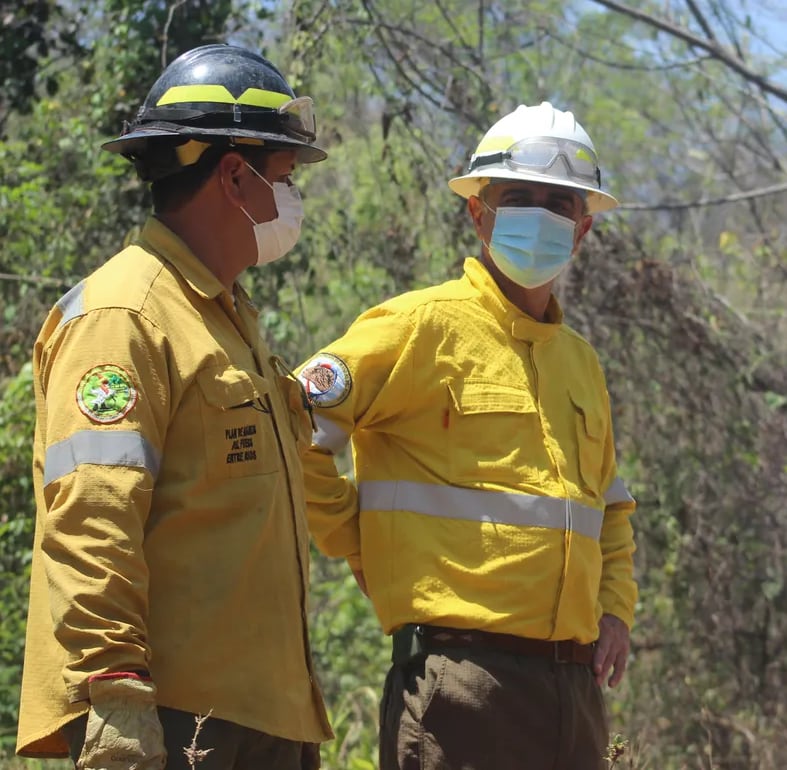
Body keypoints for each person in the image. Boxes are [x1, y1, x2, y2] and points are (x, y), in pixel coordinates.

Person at [16, 44, 332, 770]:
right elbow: (93, 516)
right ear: (232, 175)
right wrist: (117, 697)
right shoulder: (124, 315)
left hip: (266, 715)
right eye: (282, 176)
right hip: (181, 720)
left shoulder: (227, 318)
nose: (291, 199)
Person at [296, 102, 637, 770]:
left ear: (583, 230)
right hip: (460, 684)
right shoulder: (417, 327)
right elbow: (294, 425)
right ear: (477, 213)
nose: (540, 216)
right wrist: (353, 540)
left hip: (572, 691)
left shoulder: (579, 363)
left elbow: (611, 506)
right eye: (518, 198)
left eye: (559, 204)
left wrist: (615, 612)